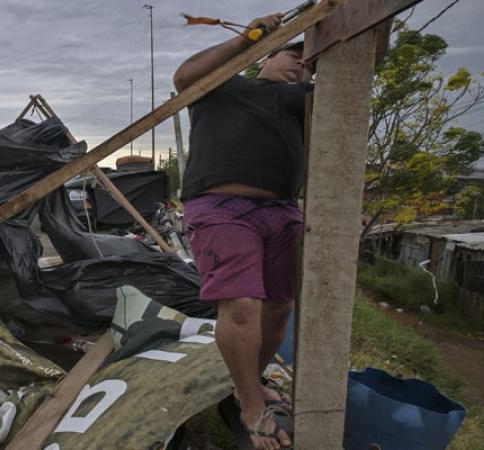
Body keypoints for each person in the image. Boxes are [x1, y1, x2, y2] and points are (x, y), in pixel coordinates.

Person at [173, 12, 312, 450]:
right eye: (293, 54)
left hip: (281, 210)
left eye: (308, 63)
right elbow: (183, 77)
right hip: (220, 208)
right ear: (265, 58)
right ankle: (252, 406)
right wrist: (246, 40)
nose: (299, 65)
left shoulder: (299, 101)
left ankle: (245, 384)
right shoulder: (226, 85)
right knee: (243, 307)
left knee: (278, 310)